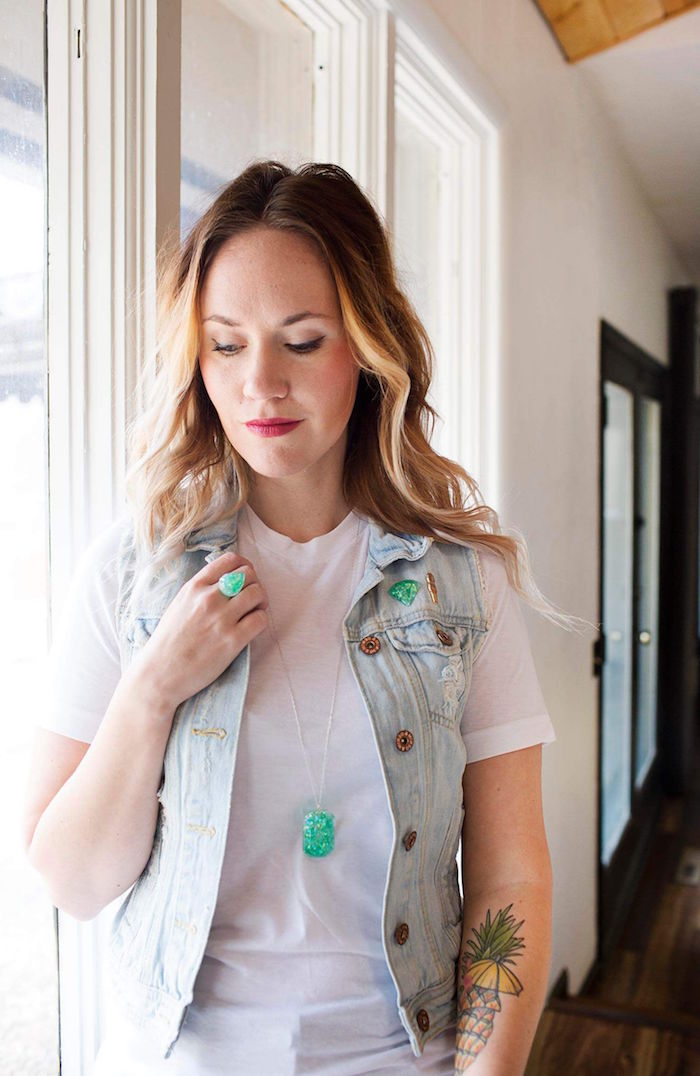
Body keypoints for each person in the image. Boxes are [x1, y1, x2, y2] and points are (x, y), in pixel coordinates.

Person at [23, 160, 588, 1075]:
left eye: (303, 340)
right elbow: (73, 883)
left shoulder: (463, 585)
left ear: (366, 349)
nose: (261, 386)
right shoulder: (133, 575)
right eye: (227, 345)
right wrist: (154, 687)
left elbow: (510, 879)